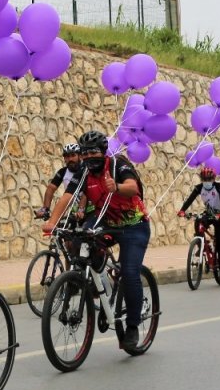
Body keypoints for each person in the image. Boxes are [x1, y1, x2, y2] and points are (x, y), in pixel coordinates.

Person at [43, 130, 150, 349]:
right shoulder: (83, 171)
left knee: (130, 272)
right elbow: (67, 195)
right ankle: (96, 285)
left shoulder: (117, 165)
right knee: (77, 241)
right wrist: (52, 222)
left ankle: (131, 326)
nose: (90, 156)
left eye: (94, 152)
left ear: (103, 152)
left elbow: (133, 187)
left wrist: (117, 187)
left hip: (134, 226)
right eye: (85, 153)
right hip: (107, 222)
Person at [178, 166, 220, 272]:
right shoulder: (199, 188)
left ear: (213, 179)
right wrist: (182, 210)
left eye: (209, 179)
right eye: (204, 179)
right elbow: (190, 199)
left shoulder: (219, 187)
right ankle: (200, 243)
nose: (207, 181)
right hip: (210, 213)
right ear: (202, 179)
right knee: (198, 220)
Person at [35, 143, 81, 221]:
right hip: (75, 211)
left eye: (73, 155)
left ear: (80, 156)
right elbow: (51, 188)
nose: (70, 159)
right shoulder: (63, 172)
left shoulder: (86, 169)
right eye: (67, 156)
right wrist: (45, 208)